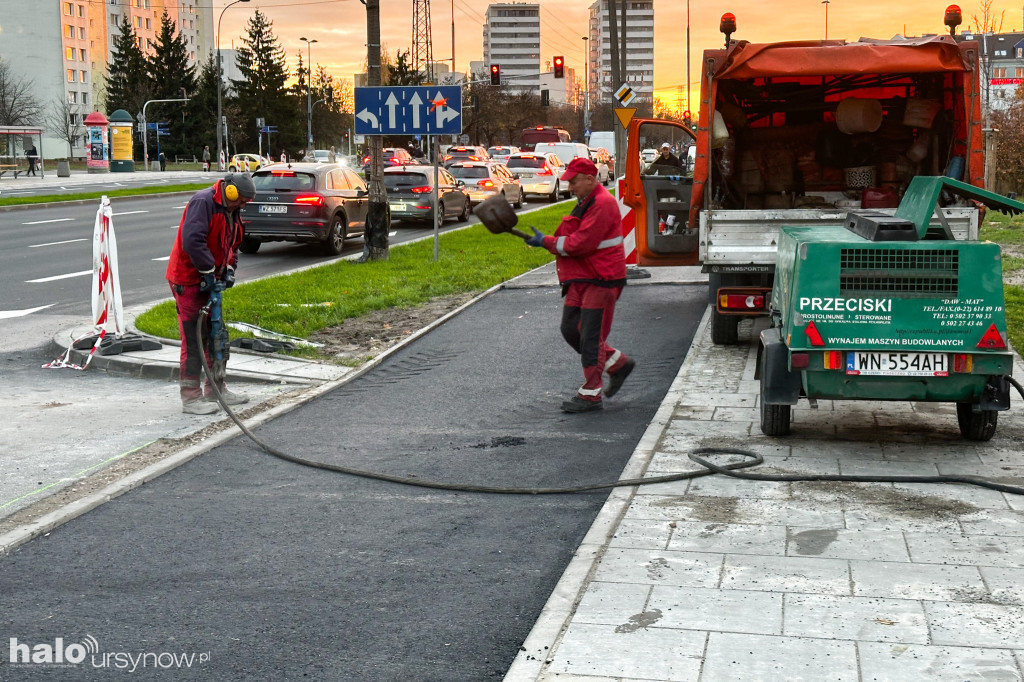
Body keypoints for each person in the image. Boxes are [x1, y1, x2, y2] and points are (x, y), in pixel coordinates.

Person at [524, 157, 635, 413]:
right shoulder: (585, 202)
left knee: (590, 337)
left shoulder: (602, 203)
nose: (570, 187)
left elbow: (579, 244)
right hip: (584, 278)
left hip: (601, 279)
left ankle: (590, 394)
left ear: (590, 179)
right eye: (569, 182)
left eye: (574, 182)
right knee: (570, 329)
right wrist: (550, 241)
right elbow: (572, 238)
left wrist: (547, 242)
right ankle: (617, 364)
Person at [166, 173, 256, 415]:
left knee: (217, 335)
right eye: (242, 201)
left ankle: (216, 389)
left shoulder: (231, 209)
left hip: (210, 280)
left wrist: (228, 268)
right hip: (188, 279)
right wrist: (207, 269)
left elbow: (231, 243)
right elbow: (192, 241)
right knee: (195, 339)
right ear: (231, 192)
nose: (243, 206)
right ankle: (191, 397)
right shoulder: (203, 203)